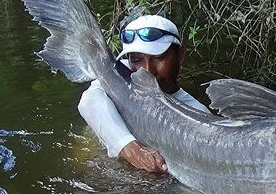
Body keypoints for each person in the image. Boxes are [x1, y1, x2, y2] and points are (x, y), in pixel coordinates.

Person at [78, 15, 209, 173]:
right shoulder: (124, 79)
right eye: (137, 60)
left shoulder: (198, 115)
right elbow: (89, 100)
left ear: (180, 54)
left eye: (159, 58)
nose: (148, 70)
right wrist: (130, 148)